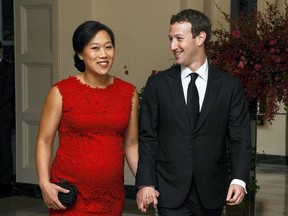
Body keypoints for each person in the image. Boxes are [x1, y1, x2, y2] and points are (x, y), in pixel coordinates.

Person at [135, 9, 251, 216]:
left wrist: (239, 179)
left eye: (179, 39)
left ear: (200, 38)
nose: (172, 46)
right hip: (169, 190)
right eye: (170, 39)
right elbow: (148, 138)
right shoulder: (157, 85)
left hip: (212, 191)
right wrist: (145, 183)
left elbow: (239, 138)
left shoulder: (229, 86)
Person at [35, 21, 139, 215]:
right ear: (81, 53)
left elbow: (131, 145)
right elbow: (44, 140)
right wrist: (43, 182)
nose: (103, 54)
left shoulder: (128, 93)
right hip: (70, 196)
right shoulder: (61, 92)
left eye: (108, 47)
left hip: (111, 196)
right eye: (95, 48)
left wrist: (144, 184)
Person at [0, 41, 15, 195]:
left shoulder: (9, 68)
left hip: (3, 115)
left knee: (4, 146)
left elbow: (8, 92)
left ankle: (6, 181)